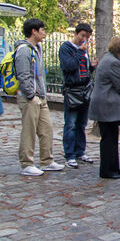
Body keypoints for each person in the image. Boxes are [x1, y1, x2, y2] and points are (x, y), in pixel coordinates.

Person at [15, 18, 65, 176]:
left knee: (46, 129)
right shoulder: (24, 50)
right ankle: (27, 163)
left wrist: (41, 95)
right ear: (33, 31)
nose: (44, 33)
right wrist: (31, 95)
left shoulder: (37, 48)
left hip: (40, 97)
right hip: (30, 98)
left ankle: (47, 160)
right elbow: (23, 75)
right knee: (29, 131)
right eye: (41, 30)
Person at [88, 37, 120, 179]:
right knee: (109, 139)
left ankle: (114, 168)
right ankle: (107, 170)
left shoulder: (107, 58)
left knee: (111, 137)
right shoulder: (113, 62)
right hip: (107, 105)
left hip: (104, 103)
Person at [59, 23, 98, 169]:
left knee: (82, 124)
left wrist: (92, 67)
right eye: (82, 36)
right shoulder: (66, 48)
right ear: (76, 34)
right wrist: (80, 53)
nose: (84, 40)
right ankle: (69, 155)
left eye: (87, 37)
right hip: (73, 91)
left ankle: (80, 151)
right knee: (70, 124)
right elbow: (69, 67)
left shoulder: (84, 50)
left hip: (85, 90)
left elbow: (83, 69)